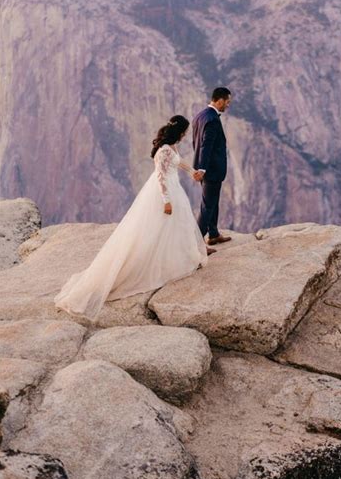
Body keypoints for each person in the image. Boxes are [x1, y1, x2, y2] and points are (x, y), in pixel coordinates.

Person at [54, 115, 207, 321]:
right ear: (179, 131)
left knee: (174, 228)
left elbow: (178, 164)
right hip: (165, 193)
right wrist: (166, 201)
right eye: (185, 131)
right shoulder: (163, 151)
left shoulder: (171, 147)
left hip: (174, 190)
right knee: (158, 229)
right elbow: (161, 176)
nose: (185, 134)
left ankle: (175, 258)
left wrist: (192, 172)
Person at [192, 87, 232, 250]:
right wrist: (203, 168)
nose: (228, 106)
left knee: (213, 202)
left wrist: (200, 166)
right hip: (211, 169)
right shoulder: (212, 119)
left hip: (206, 169)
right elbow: (205, 145)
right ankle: (195, 244)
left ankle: (214, 234)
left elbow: (195, 143)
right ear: (220, 100)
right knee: (207, 206)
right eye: (227, 102)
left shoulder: (200, 116)